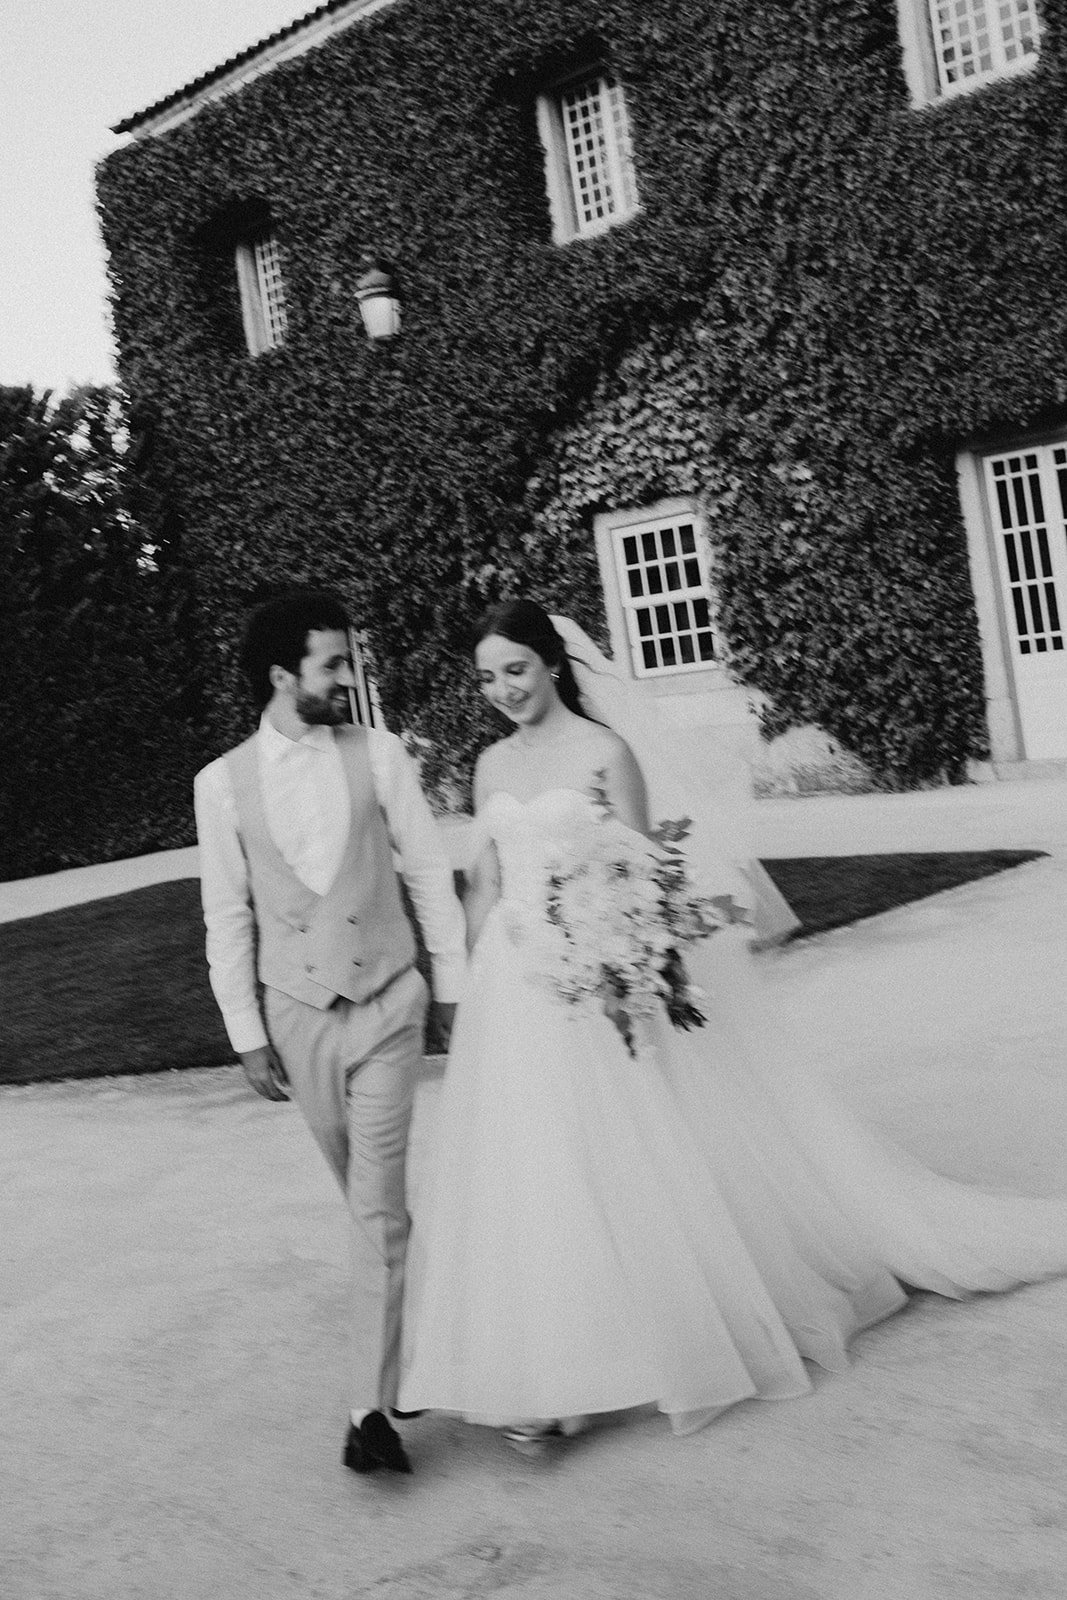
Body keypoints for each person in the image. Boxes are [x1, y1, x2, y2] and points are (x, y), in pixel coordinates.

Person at [398, 598, 1067, 1449]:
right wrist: (466, 982)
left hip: (597, 978)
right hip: (513, 985)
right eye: (488, 677)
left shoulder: (605, 752)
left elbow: (642, 876)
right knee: (529, 1164)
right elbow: (484, 882)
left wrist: (623, 958)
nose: (501, 690)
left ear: (552, 665)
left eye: (515, 670)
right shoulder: (490, 764)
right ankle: (543, 1371)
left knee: (616, 1156)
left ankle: (630, 1347)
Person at [194, 588, 466, 1476]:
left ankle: (367, 1414)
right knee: (369, 1207)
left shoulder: (382, 756)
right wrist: (244, 1031)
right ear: (283, 676)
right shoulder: (219, 786)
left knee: (375, 1207)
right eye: (333, 665)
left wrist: (451, 986)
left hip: (388, 1003)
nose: (348, 678)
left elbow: (427, 869)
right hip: (296, 1018)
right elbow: (225, 917)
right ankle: (414, 1349)